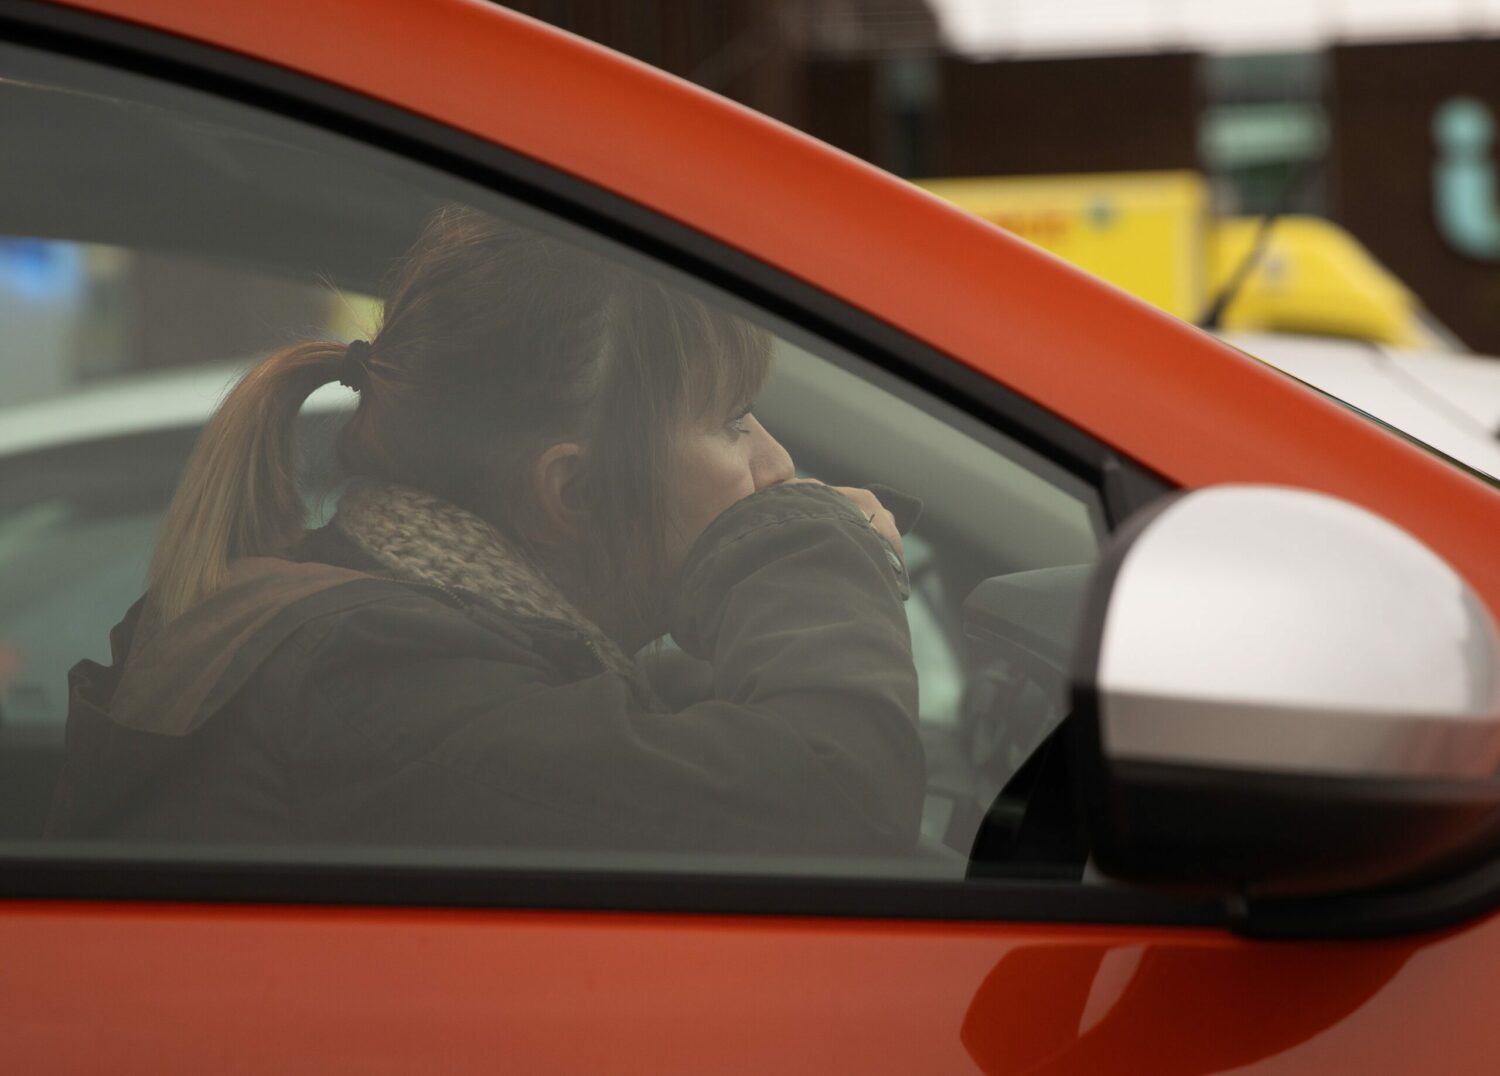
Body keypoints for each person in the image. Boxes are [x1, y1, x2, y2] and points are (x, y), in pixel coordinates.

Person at [46, 205, 924, 855]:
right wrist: (803, 542)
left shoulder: (385, 646)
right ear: (574, 492)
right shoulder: (379, 680)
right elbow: (838, 797)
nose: (776, 465)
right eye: (734, 420)